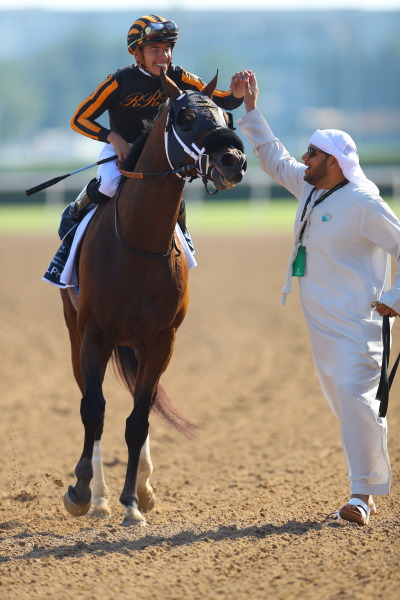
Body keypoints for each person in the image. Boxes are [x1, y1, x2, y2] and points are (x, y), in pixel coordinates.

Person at [237, 73, 400, 526]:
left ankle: (362, 497)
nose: (303, 158)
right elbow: (272, 156)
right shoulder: (311, 186)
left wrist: (396, 296)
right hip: (320, 325)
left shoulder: (365, 203)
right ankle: (363, 486)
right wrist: (250, 108)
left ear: (332, 161)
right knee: (344, 403)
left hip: (360, 324)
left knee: (357, 399)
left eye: (311, 153)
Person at [43, 14, 250, 286]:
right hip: (121, 152)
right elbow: (79, 119)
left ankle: (182, 234)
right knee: (107, 185)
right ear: (137, 53)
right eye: (155, 49)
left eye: (167, 49)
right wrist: (112, 137)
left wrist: (236, 93)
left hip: (159, 157)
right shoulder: (118, 81)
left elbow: (219, 100)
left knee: (173, 193)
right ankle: (74, 218)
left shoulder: (179, 76)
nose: (163, 55)